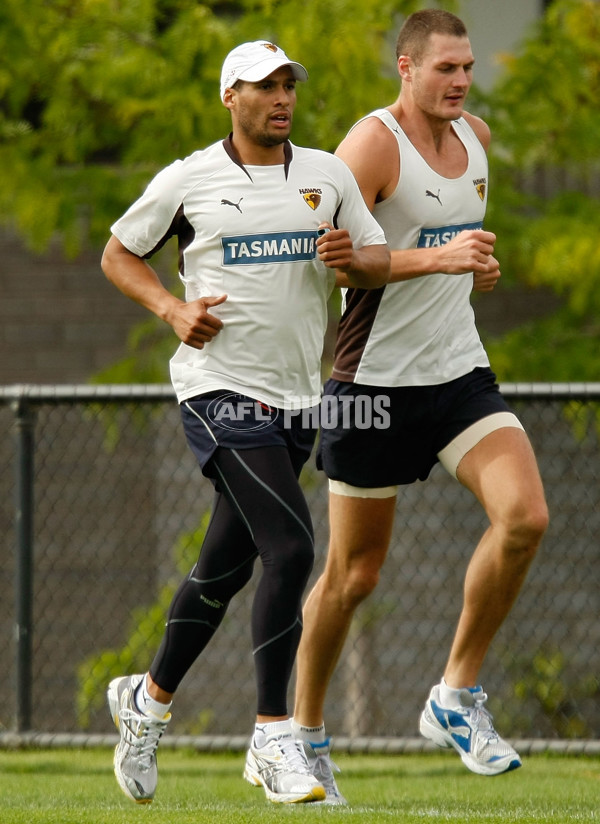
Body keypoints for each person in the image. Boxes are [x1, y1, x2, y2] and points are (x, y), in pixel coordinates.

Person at [100, 40, 389, 806]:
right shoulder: (191, 178)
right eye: (264, 86)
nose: (281, 97)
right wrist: (170, 307)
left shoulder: (327, 175)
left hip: (298, 400)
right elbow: (118, 254)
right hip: (218, 390)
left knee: (226, 568)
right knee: (292, 547)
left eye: (289, 83)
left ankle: (147, 702)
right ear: (231, 96)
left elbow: (376, 259)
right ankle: (273, 736)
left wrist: (351, 262)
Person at [291, 9, 549, 803]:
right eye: (446, 68)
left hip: (457, 374)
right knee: (353, 575)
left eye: (468, 67)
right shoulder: (370, 146)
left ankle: (455, 695)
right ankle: (297, 736)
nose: (462, 80)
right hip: (368, 385)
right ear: (405, 69)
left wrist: (476, 267)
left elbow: (457, 243)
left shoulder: (477, 138)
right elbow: (331, 266)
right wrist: (440, 258)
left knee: (525, 518)